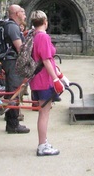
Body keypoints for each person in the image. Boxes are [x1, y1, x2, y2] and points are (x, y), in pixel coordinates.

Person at [29, 10, 63, 156]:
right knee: (44, 113)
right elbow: (46, 60)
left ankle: (43, 142)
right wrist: (55, 79)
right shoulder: (43, 37)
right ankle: (42, 145)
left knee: (43, 112)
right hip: (44, 80)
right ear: (45, 22)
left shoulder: (33, 35)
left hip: (38, 79)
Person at [2, 4, 31, 134]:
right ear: (16, 14)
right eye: (21, 11)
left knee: (13, 91)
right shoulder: (13, 27)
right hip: (12, 63)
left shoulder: (11, 26)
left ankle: (12, 122)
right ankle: (13, 125)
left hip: (11, 62)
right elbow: (20, 48)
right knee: (13, 92)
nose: (24, 14)